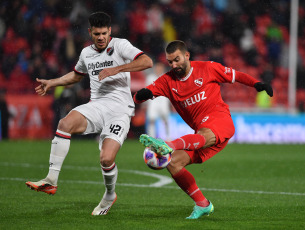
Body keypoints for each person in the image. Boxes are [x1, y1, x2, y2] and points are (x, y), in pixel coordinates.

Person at [25, 12, 153, 216]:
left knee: (106, 159)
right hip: (97, 106)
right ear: (90, 33)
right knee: (64, 124)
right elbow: (77, 75)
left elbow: (147, 62)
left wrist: (116, 69)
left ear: (110, 31)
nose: (101, 37)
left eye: (104, 33)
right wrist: (52, 82)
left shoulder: (120, 45)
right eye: (97, 34)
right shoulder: (86, 53)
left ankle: (110, 195)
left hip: (120, 111)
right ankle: (51, 180)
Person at [134, 40, 273, 219]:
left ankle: (168, 144)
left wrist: (257, 84)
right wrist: (140, 95)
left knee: (199, 135)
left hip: (220, 121)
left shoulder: (207, 68)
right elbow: (138, 97)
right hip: (201, 136)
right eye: (170, 62)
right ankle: (202, 204)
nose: (174, 65)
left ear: (186, 55)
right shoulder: (167, 81)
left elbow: (235, 75)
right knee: (173, 162)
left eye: (177, 59)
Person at [145, 62, 171, 140]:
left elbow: (169, 91)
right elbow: (147, 91)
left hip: (163, 101)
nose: (158, 69)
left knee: (166, 120)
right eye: (157, 67)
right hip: (153, 102)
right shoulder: (150, 77)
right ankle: (151, 137)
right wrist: (146, 103)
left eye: (160, 68)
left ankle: (168, 137)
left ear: (162, 68)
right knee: (151, 120)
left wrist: (171, 103)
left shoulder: (166, 77)